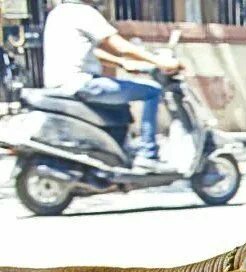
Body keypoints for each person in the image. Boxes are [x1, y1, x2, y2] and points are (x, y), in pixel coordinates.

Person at [42, 0, 181, 165]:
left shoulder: (58, 13)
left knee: (120, 100)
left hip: (61, 85)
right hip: (82, 84)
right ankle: (147, 153)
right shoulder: (83, 12)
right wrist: (159, 61)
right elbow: (120, 46)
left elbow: (91, 51)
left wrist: (121, 64)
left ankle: (123, 148)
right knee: (152, 91)